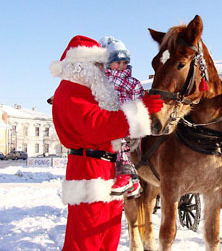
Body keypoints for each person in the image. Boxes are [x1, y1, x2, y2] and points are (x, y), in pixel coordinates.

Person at [50, 35, 163, 251]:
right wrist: (140, 109)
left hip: (106, 168)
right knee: (86, 239)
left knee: (107, 237)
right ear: (81, 65)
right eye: (98, 64)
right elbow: (99, 126)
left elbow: (115, 123)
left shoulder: (89, 93)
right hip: (88, 170)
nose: (103, 71)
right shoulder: (70, 91)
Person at [99, 36, 145, 199]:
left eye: (124, 63)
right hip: (108, 119)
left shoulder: (132, 82)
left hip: (127, 121)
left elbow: (140, 99)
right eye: (117, 62)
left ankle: (125, 175)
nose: (121, 66)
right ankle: (133, 180)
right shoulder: (101, 81)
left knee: (118, 139)